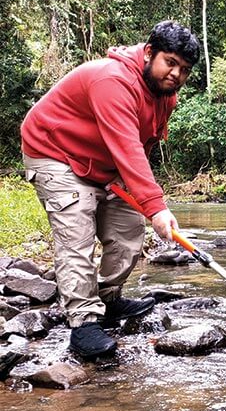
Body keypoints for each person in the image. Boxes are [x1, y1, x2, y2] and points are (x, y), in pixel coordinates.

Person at [20, 20, 200, 360]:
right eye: (170, 63)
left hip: (102, 164)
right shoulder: (112, 80)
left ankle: (107, 299)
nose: (176, 74)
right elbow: (127, 146)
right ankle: (83, 324)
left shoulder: (165, 97)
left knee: (129, 230)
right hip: (54, 152)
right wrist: (157, 206)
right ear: (149, 53)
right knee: (77, 234)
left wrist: (141, 202)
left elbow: (142, 147)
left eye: (184, 69)